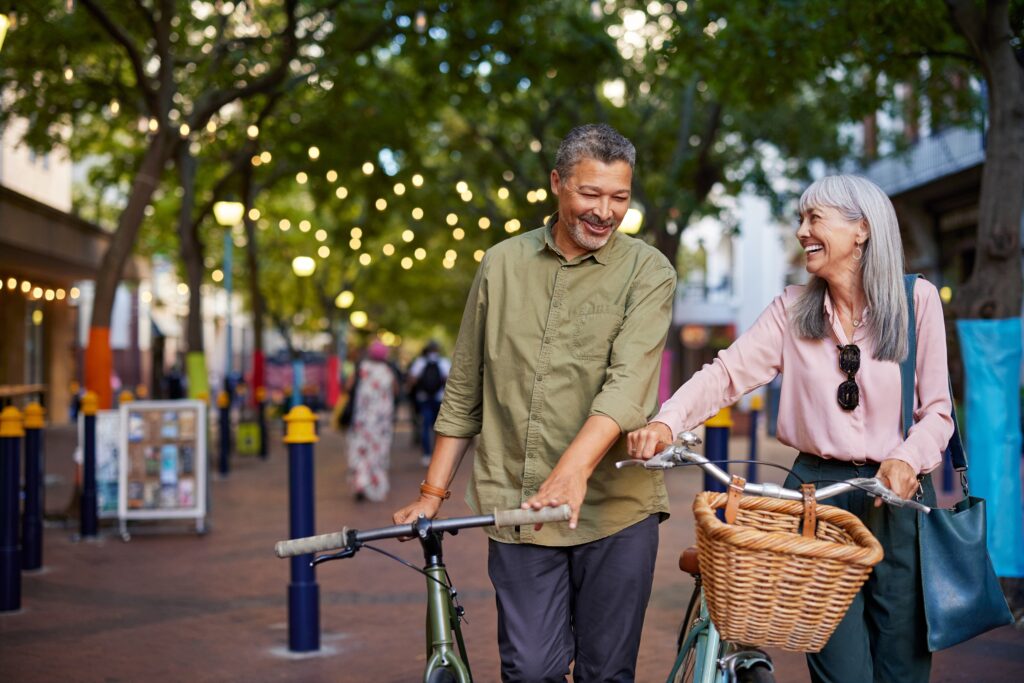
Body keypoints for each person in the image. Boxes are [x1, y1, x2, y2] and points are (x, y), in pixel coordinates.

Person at [628, 174, 954, 683]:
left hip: (897, 495)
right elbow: (725, 374)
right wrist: (667, 421)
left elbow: (937, 412)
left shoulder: (918, 302)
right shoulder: (791, 309)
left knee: (903, 665)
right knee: (840, 669)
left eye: (814, 218)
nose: (802, 231)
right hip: (813, 499)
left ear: (862, 229)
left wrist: (908, 459)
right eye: (800, 220)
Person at [393, 123, 677, 682]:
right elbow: (465, 390)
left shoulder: (649, 271)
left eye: (619, 197)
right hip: (520, 506)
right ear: (556, 183)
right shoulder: (500, 265)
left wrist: (572, 473)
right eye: (590, 194)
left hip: (616, 508)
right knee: (528, 671)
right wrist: (432, 495)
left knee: (606, 673)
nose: (606, 212)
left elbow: (627, 387)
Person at [346, 340, 399, 502]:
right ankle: (376, 486)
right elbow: (396, 392)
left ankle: (360, 483)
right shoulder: (387, 372)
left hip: (362, 419)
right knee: (378, 452)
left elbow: (348, 387)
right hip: (381, 422)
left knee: (361, 451)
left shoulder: (361, 368)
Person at [405, 341, 451, 467]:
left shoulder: (420, 362)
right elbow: (449, 380)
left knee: (425, 426)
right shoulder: (444, 362)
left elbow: (412, 379)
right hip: (439, 399)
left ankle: (426, 454)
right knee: (440, 428)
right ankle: (438, 454)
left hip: (424, 398)